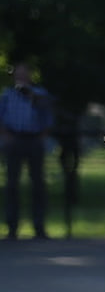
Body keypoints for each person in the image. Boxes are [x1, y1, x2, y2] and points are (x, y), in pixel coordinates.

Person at [0, 62, 54, 240]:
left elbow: (48, 117)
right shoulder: (7, 95)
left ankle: (39, 226)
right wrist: (7, 136)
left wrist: (41, 137)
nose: (21, 77)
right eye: (18, 74)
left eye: (25, 74)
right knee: (12, 185)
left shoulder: (40, 94)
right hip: (14, 140)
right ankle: (12, 227)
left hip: (34, 141)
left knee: (37, 184)